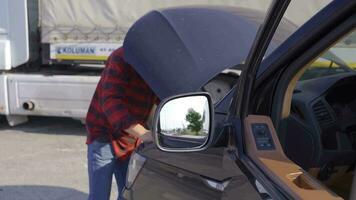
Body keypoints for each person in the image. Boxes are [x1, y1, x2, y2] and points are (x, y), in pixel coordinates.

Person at [85, 47, 158, 200]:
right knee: (99, 196)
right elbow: (110, 102)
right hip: (105, 134)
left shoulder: (158, 64)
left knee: (128, 194)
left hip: (130, 138)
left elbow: (162, 97)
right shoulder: (121, 57)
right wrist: (143, 133)